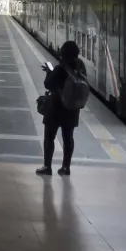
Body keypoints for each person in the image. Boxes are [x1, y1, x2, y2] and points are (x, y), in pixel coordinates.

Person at [37, 40, 86, 176]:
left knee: (49, 137)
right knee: (68, 137)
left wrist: (48, 72)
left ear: (62, 53)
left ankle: (47, 166)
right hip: (72, 108)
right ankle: (66, 167)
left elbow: (48, 84)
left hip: (56, 107)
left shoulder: (60, 68)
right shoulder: (80, 67)